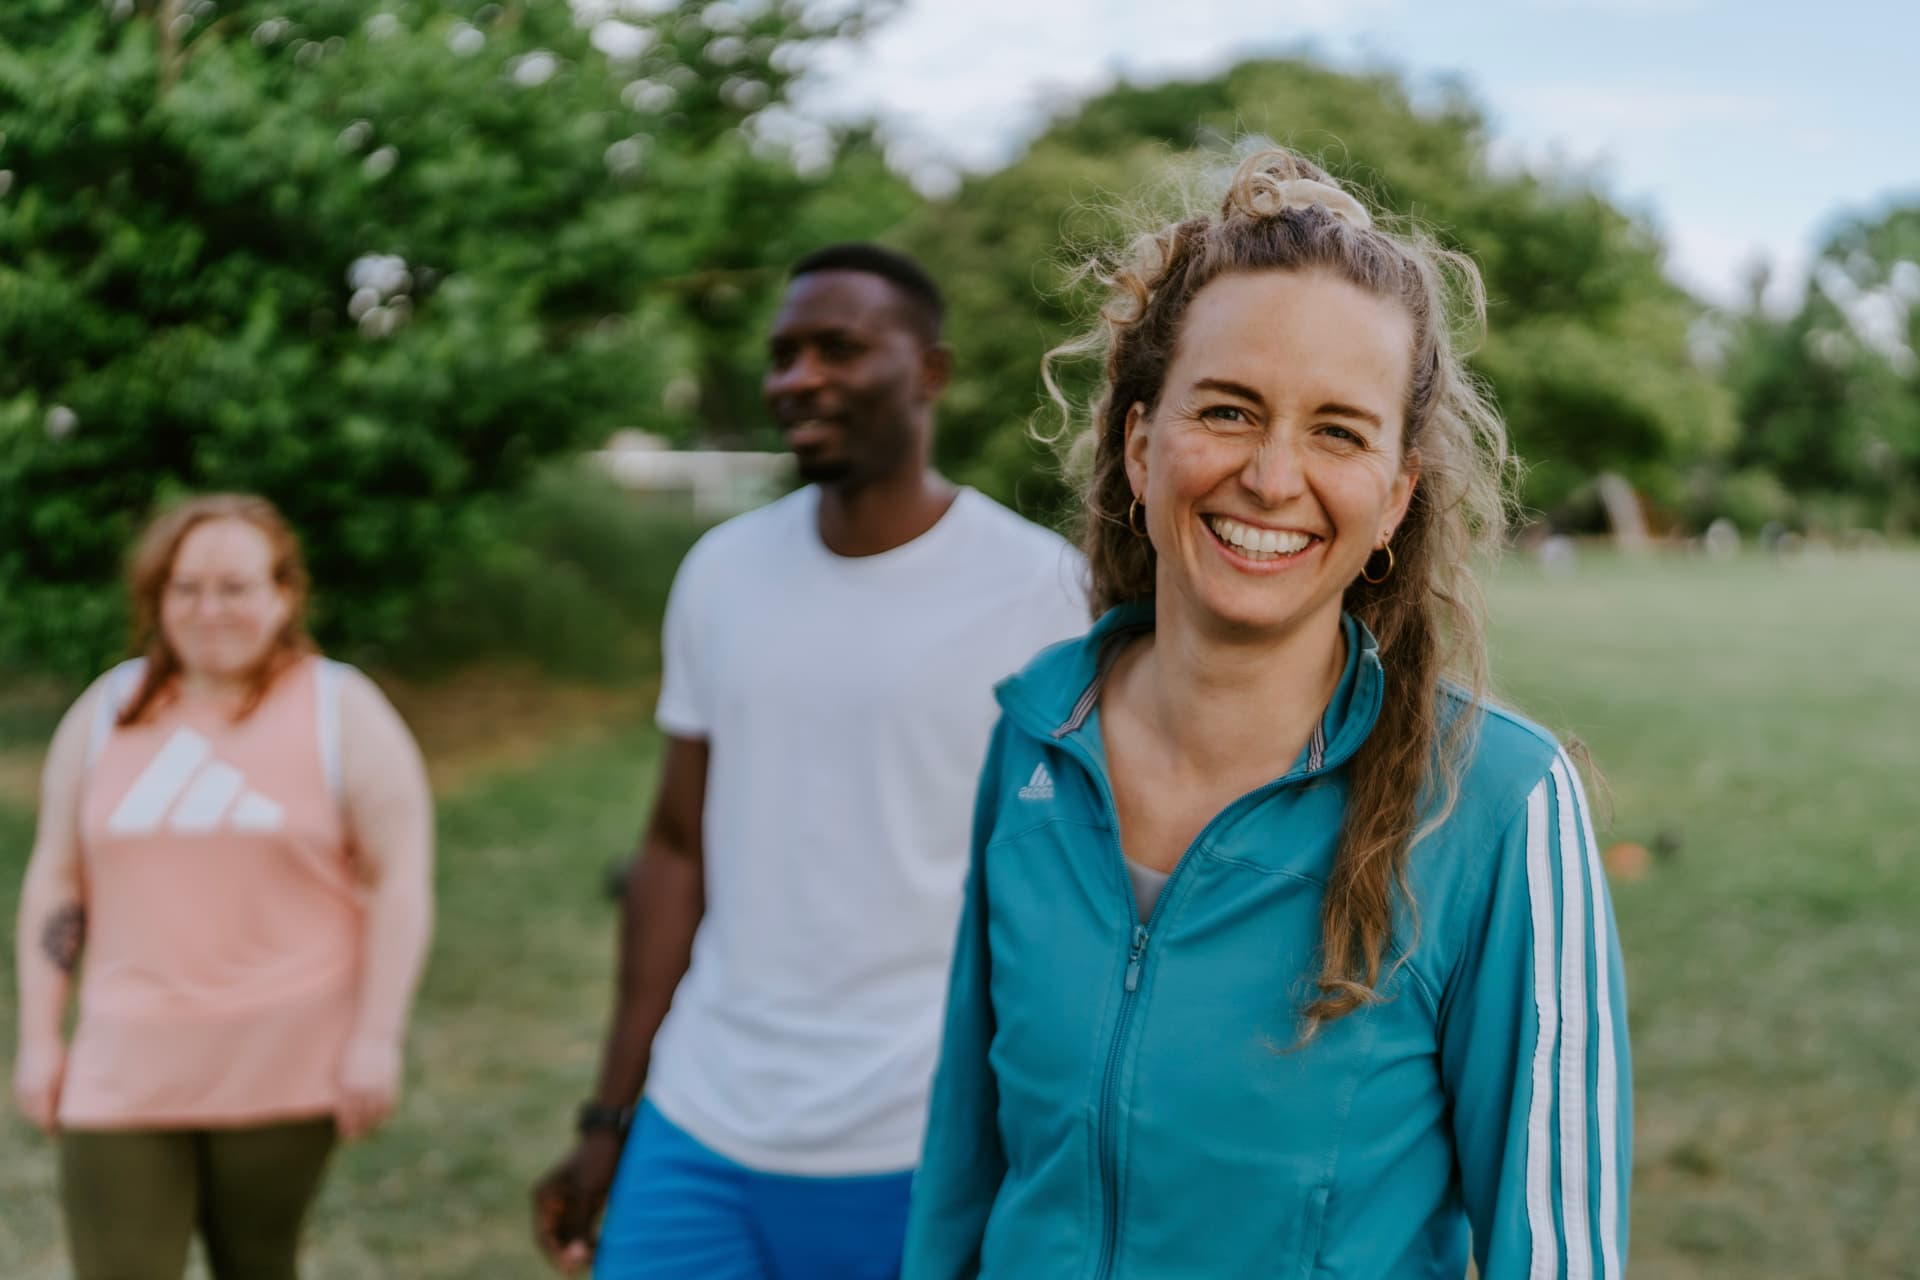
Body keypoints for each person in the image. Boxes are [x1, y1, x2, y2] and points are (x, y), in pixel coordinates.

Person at [902, 148, 1632, 1279]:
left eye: (1339, 430)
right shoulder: (1038, 735)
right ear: (1141, 448)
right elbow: (965, 1165)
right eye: (1230, 409)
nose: (1273, 475)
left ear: (1393, 499)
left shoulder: (1495, 806)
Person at [531, 244, 1088, 1279]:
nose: (798, 378)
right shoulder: (720, 573)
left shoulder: (1045, 596)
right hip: (699, 1118)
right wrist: (609, 1115)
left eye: (839, 348)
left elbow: (1072, 891)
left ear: (930, 371)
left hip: (917, 1137)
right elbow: (672, 846)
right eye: (784, 354)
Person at [11, 494, 434, 1280]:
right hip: (126, 1063)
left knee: (259, 1265)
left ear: (283, 594)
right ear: (157, 598)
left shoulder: (343, 711)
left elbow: (399, 882)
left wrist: (376, 1039)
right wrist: (39, 1041)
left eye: (235, 587)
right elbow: (56, 882)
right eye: (186, 587)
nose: (210, 610)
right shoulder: (106, 713)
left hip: (286, 1061)